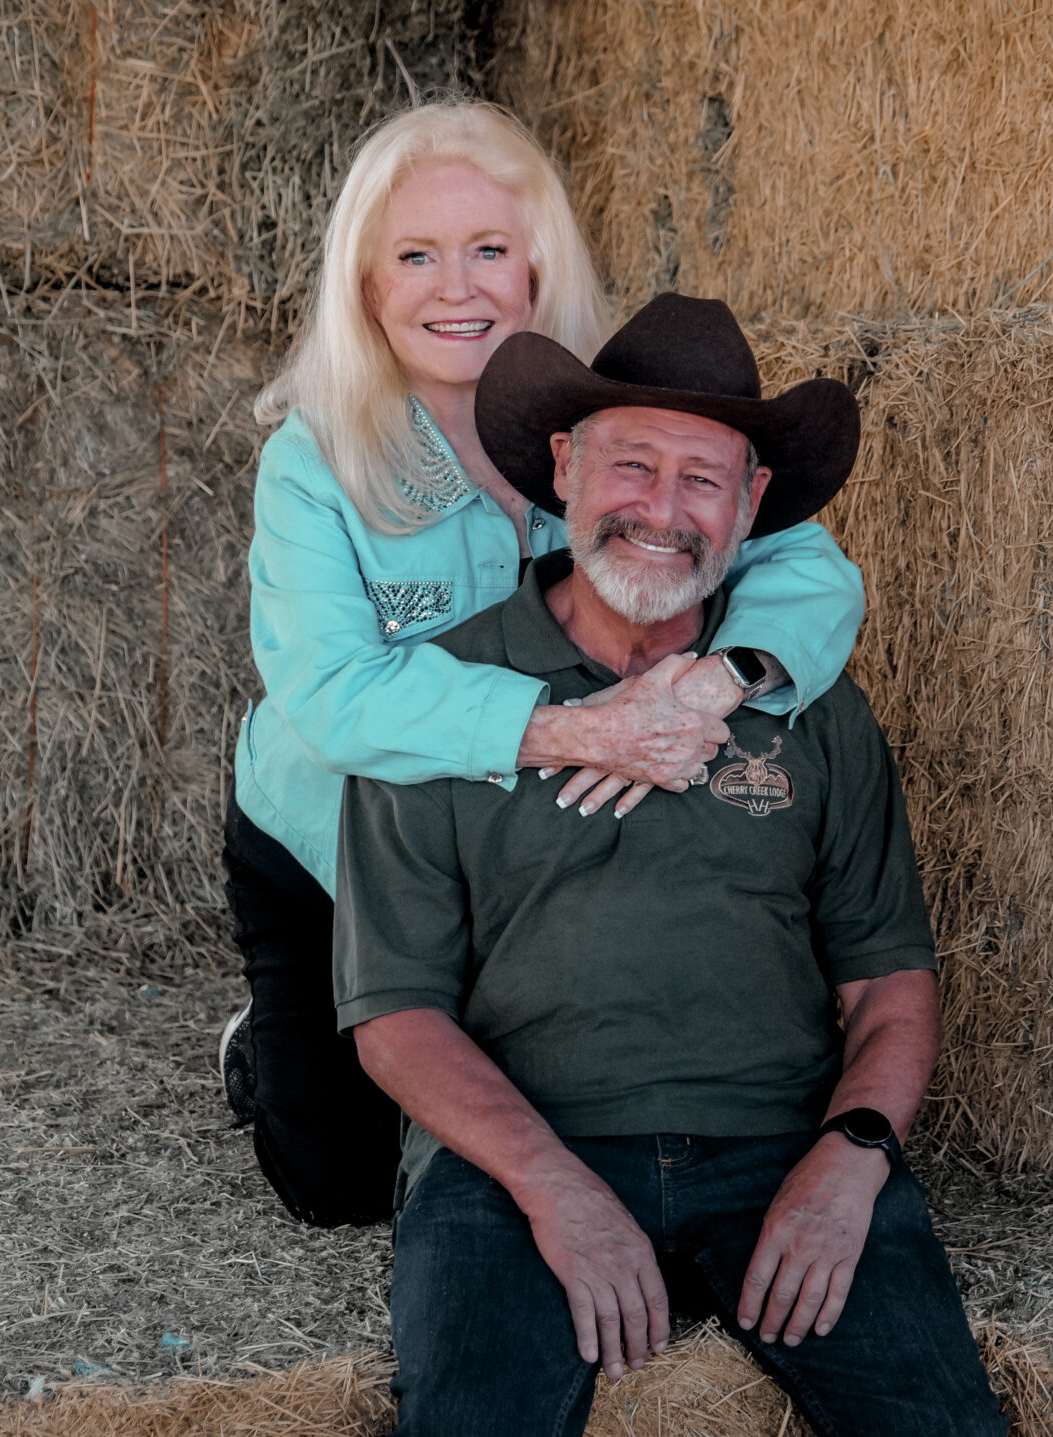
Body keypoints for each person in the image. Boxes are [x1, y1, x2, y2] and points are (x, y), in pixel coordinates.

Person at [333, 294, 1005, 1435]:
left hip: (778, 1150)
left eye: (703, 479)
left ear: (751, 506)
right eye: (632, 464)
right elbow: (394, 1013)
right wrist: (552, 1188)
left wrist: (854, 1158)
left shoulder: (808, 703)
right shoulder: (442, 702)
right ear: (562, 469)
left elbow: (887, 979)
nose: (662, 508)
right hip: (512, 1160)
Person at [226, 103, 867, 1228]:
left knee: (561, 1124)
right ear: (367, 286)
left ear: (535, 270)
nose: (455, 288)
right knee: (338, 1187)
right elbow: (331, 697)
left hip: (531, 848)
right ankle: (268, 1038)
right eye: (415, 256)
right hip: (334, 842)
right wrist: (579, 729)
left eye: (488, 252)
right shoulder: (314, 457)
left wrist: (713, 683)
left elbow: (815, 574)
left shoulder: (610, 420)